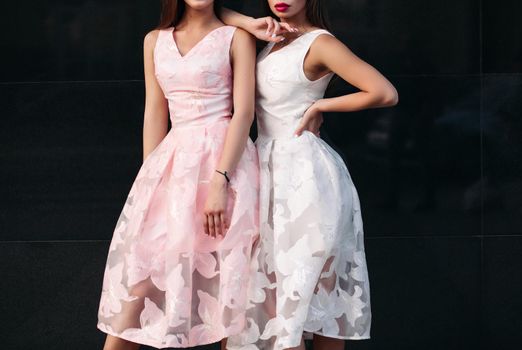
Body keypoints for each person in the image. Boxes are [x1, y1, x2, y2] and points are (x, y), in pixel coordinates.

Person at [222, 1, 398, 349]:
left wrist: (320, 105)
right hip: (266, 168)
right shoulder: (273, 39)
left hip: (305, 175)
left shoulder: (320, 43)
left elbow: (384, 92)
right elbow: (215, 13)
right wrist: (252, 23)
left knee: (309, 296)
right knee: (265, 295)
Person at [96, 0, 259, 349]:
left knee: (230, 284)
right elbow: (154, 111)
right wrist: (148, 183)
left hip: (224, 161)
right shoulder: (154, 40)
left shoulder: (236, 37)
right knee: (142, 276)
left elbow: (244, 113)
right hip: (174, 164)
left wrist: (221, 180)